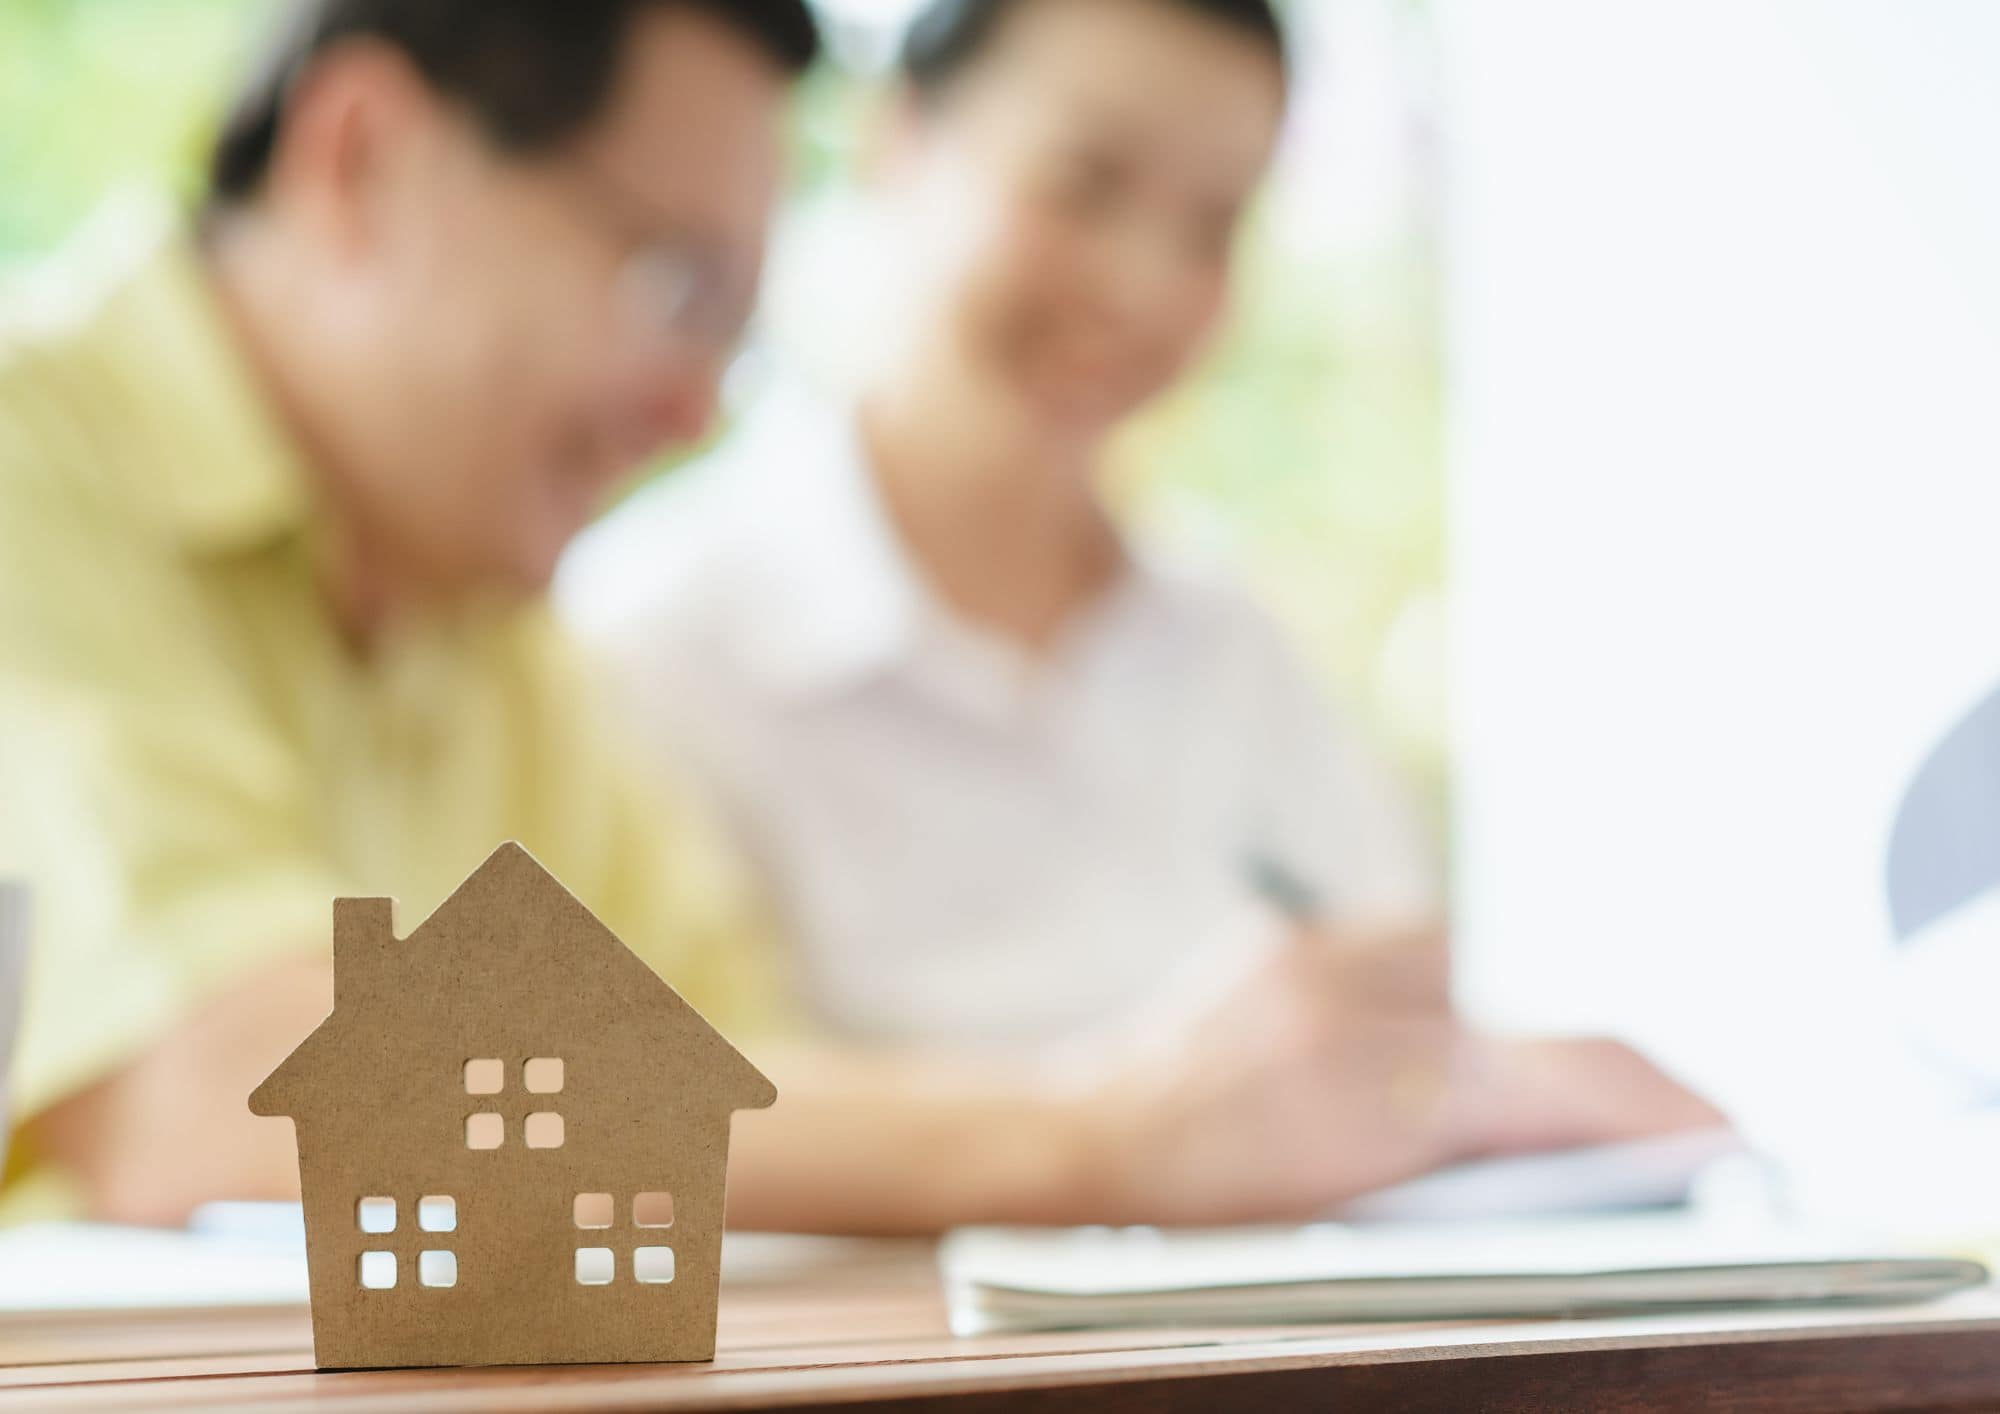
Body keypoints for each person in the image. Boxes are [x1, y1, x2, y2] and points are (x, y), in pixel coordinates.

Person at [0, 0, 1711, 1236]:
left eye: (728, 323)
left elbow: (743, 1078)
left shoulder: (489, 618)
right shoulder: (27, 456)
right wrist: (1108, 1130)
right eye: (665, 279)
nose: (689, 412)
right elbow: (220, 1082)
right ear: (360, 153)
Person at [558, 0, 1707, 1144]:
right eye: (1082, 182)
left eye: (1211, 227)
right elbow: (635, 1126)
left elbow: (1391, 1041)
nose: (1143, 284)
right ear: (898, 138)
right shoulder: (643, 645)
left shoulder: (1237, 652)